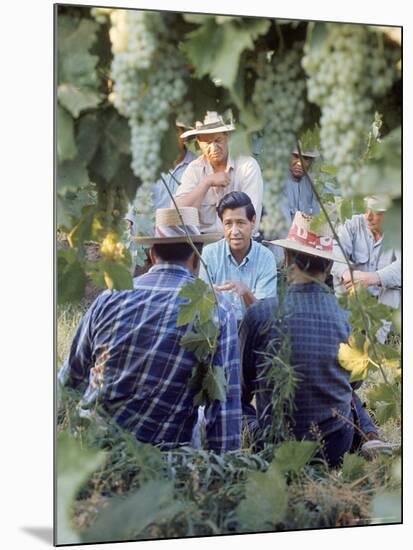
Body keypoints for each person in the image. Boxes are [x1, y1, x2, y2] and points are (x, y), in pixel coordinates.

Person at [58, 207, 242, 454]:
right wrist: (226, 468)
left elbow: (70, 380)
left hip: (94, 447)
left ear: (152, 255)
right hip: (162, 455)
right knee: (198, 417)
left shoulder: (109, 298)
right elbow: (223, 407)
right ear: (197, 257)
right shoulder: (218, 309)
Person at [240, 211, 390, 467]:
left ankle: (368, 436)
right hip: (333, 449)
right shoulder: (349, 318)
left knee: (237, 405)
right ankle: (368, 436)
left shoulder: (259, 314)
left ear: (286, 260)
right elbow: (353, 384)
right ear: (329, 267)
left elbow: (243, 386)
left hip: (273, 447)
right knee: (343, 392)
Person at [175, 111, 263, 235]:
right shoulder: (194, 169)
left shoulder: (247, 166)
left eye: (218, 140)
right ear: (199, 143)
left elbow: (251, 220)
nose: (214, 148)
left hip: (239, 242)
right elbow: (176, 214)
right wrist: (207, 182)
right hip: (202, 246)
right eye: (207, 143)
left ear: (228, 136)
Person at [199, 191, 277, 323]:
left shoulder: (266, 257)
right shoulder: (209, 254)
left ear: (253, 221)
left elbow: (265, 316)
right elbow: (201, 308)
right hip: (217, 334)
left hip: (253, 334)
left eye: (240, 223)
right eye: (228, 223)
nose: (234, 231)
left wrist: (246, 293)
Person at [125, 120, 197, 236]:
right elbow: (133, 196)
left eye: (174, 131)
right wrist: (128, 220)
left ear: (185, 136)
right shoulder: (147, 164)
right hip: (147, 240)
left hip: (183, 240)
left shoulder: (196, 166)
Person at [331, 196, 401, 309]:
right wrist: (348, 275)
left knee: (395, 287)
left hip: (384, 307)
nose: (368, 217)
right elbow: (336, 250)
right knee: (339, 274)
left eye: (376, 212)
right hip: (352, 302)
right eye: (367, 209)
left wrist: (370, 278)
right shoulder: (352, 224)